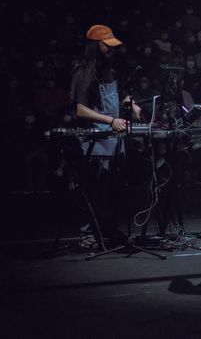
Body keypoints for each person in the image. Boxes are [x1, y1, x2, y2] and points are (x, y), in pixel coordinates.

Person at [70, 24, 142, 246]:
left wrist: (131, 103)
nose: (111, 50)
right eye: (106, 46)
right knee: (95, 190)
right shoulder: (82, 72)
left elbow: (116, 97)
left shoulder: (110, 71)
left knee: (114, 190)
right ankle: (88, 234)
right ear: (95, 46)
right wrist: (111, 121)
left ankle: (109, 229)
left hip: (114, 139)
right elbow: (80, 109)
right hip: (95, 141)